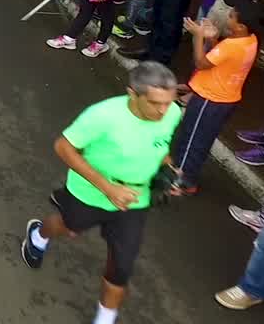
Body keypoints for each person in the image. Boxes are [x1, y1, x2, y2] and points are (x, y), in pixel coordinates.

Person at [20, 62, 181, 324]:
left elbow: (160, 146)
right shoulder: (102, 116)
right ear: (133, 94)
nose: (164, 110)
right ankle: (38, 235)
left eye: (168, 102)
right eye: (155, 103)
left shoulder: (172, 112)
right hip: (89, 193)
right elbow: (63, 147)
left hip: (135, 201)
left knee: (122, 267)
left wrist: (168, 171)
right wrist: (108, 188)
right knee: (68, 228)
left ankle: (104, 320)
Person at [167, 0, 258, 196]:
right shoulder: (250, 41)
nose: (228, 17)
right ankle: (180, 170)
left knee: (192, 138)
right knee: (198, 138)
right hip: (223, 99)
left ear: (241, 25)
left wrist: (198, 36)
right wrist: (212, 39)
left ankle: (181, 181)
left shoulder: (232, 46)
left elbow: (201, 63)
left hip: (211, 98)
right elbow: (222, 59)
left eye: (232, 16)